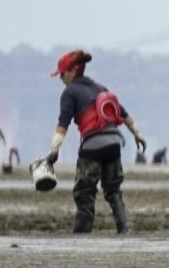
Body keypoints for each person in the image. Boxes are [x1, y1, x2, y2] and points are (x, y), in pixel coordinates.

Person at [39, 49, 147, 233]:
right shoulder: (100, 88)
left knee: (84, 191)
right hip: (114, 143)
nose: (61, 78)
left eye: (62, 74)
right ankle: (124, 228)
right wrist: (138, 134)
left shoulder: (69, 92)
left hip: (92, 146)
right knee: (113, 189)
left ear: (73, 71)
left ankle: (82, 231)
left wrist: (53, 151)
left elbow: (62, 125)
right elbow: (123, 113)